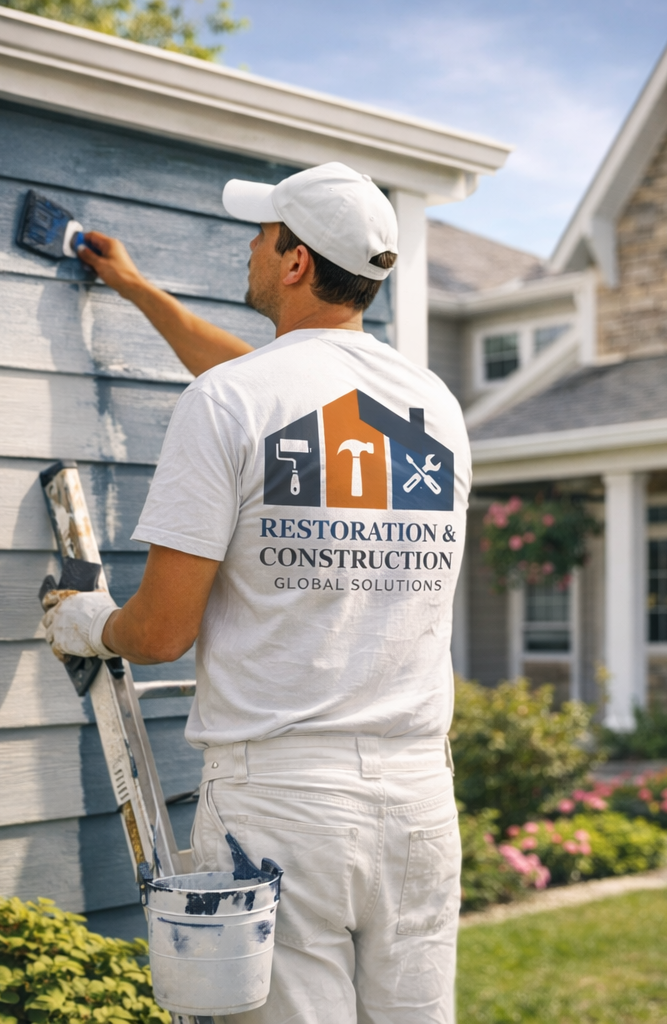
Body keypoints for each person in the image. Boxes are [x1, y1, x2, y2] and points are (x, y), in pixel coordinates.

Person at [43, 162, 471, 1024]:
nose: (249, 245)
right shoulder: (433, 407)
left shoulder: (231, 403)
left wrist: (85, 620)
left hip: (284, 804)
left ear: (296, 262)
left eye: (262, 233)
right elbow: (282, 398)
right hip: (420, 801)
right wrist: (135, 289)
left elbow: (162, 634)